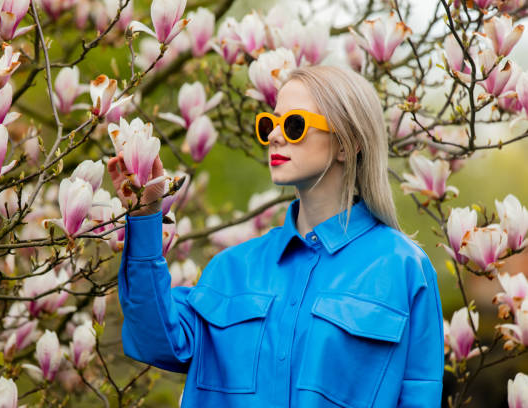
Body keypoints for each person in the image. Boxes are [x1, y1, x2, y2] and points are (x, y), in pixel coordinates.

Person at [108, 65, 445, 408]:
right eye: (269, 124)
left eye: (294, 125)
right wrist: (145, 215)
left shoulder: (403, 269)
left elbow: (420, 395)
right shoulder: (231, 269)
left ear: (347, 145)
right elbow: (154, 339)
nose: (274, 136)